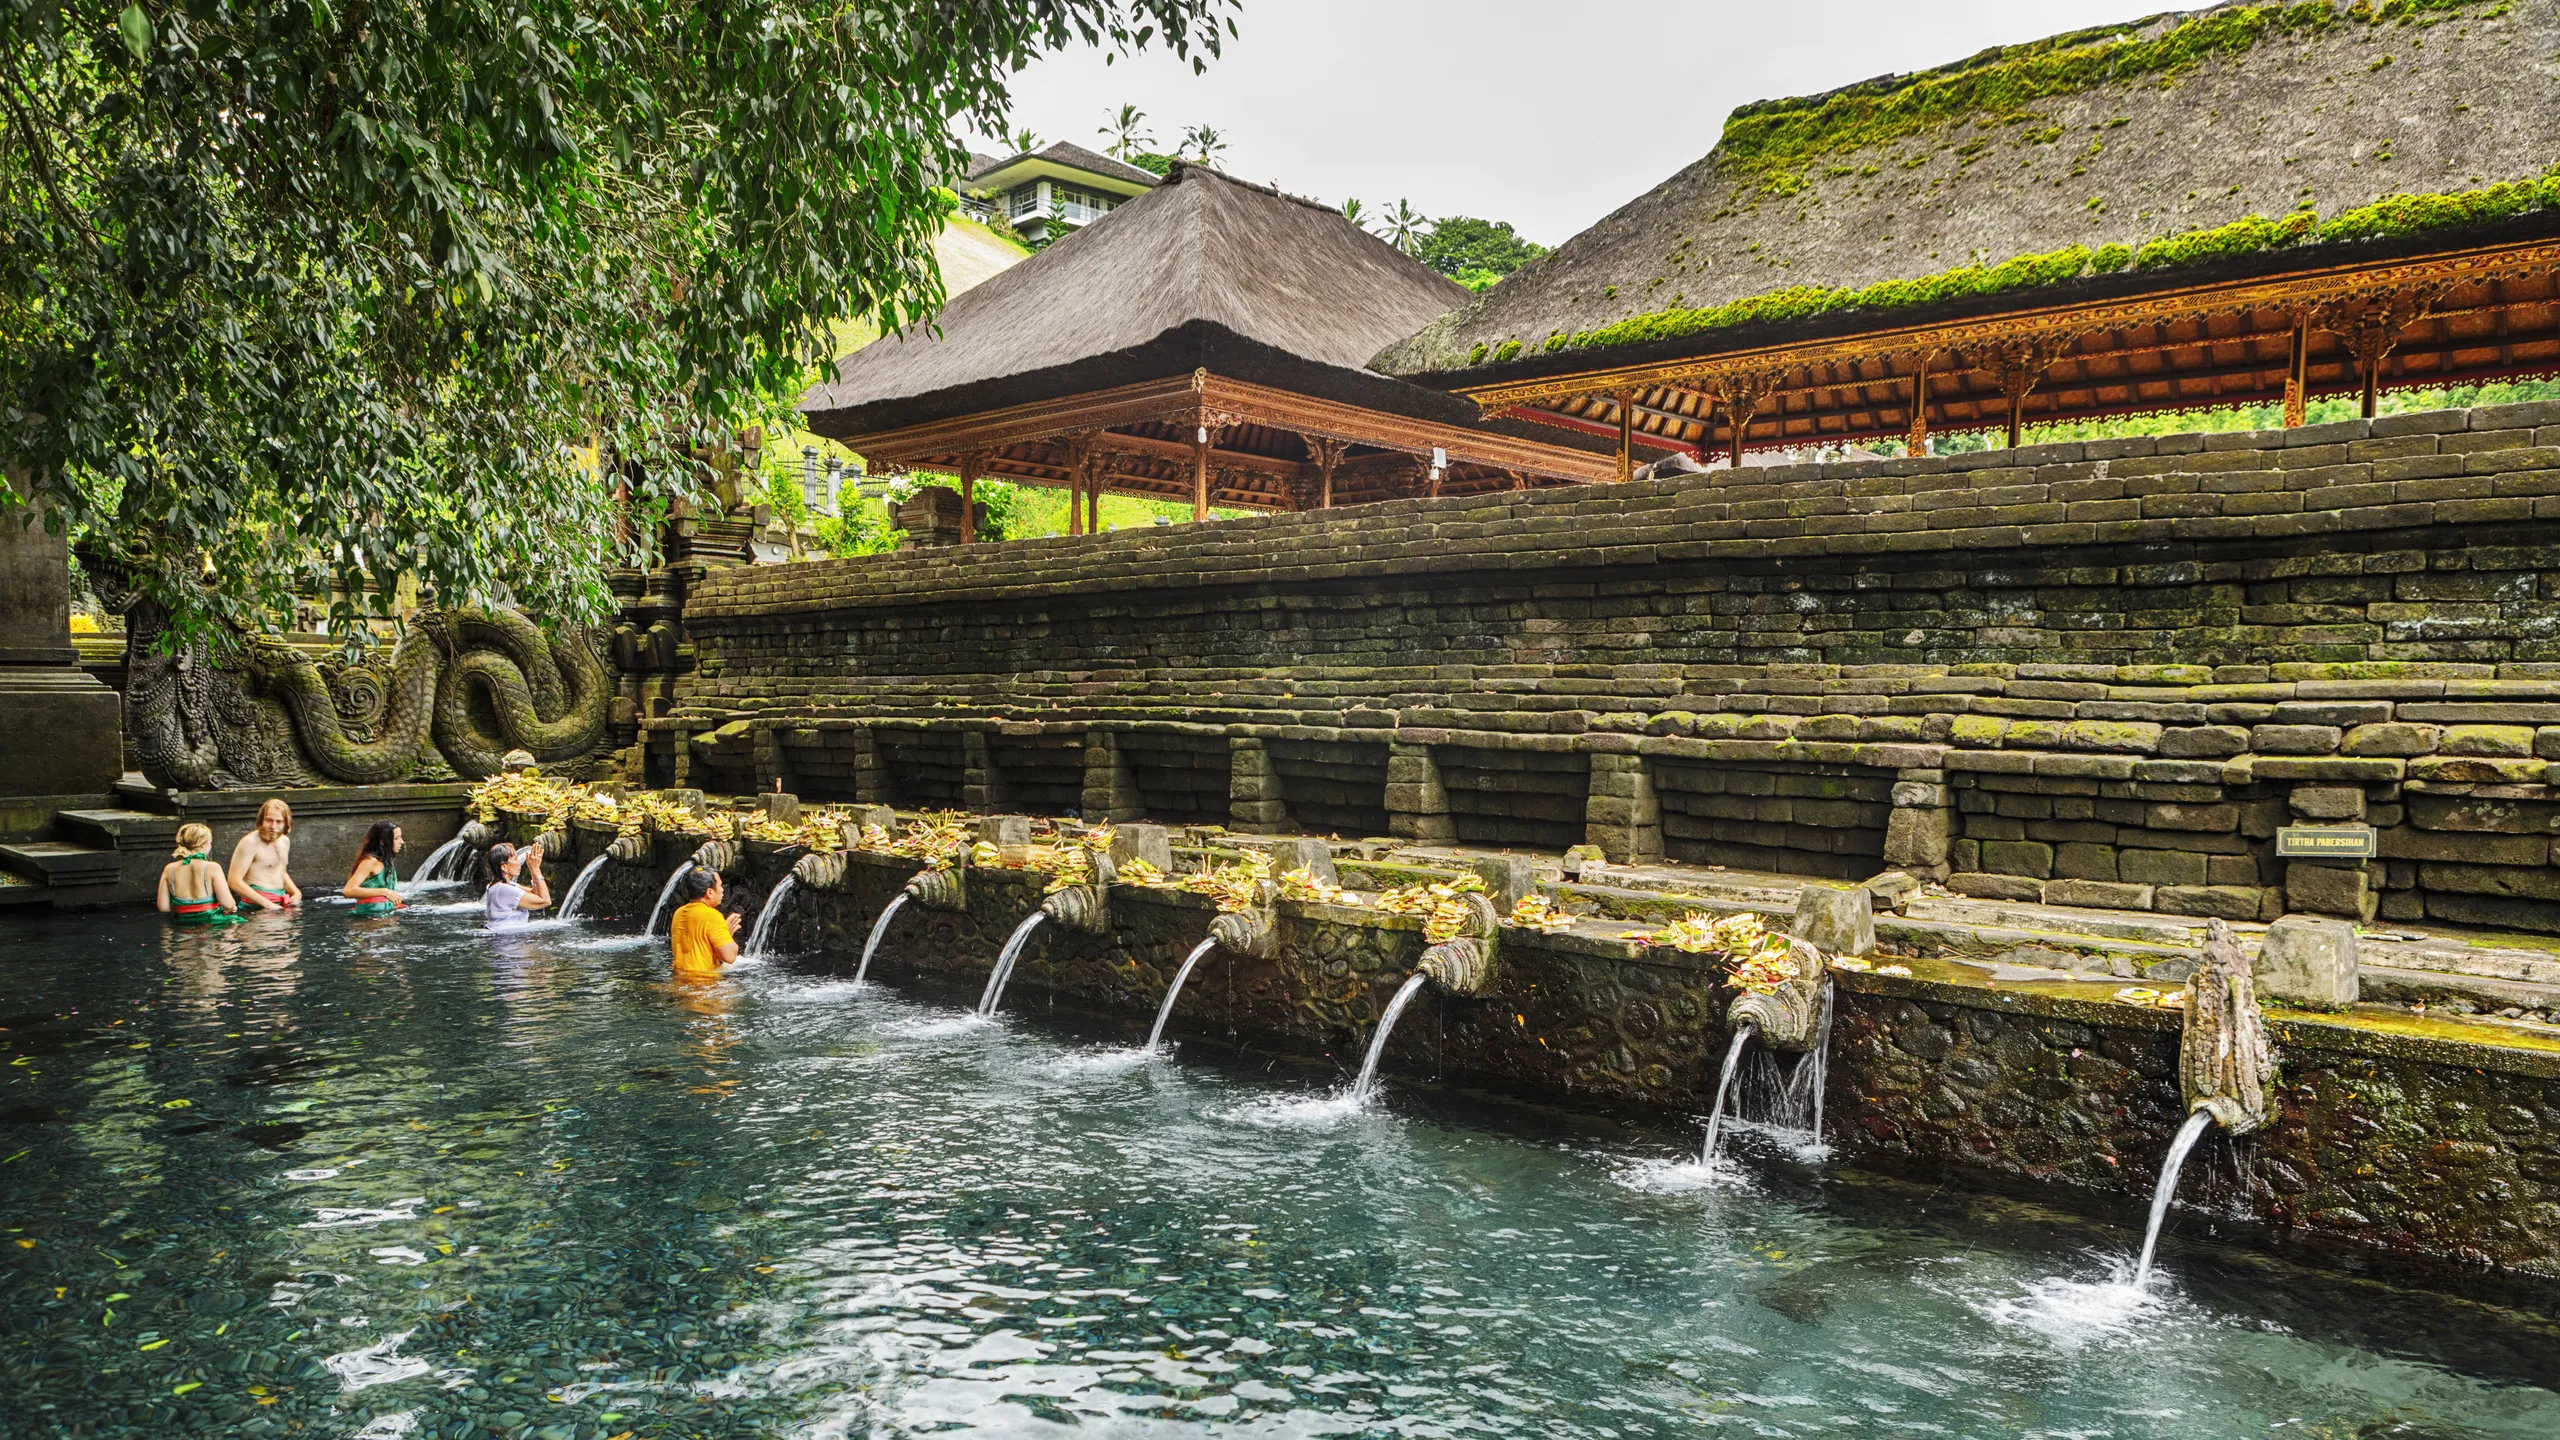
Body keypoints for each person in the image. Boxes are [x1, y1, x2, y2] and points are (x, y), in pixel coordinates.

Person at [669, 868, 745, 982]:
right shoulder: (712, 916)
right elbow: (729, 957)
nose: (722, 890)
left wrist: (724, 933)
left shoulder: (679, 912)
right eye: (720, 885)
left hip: (679, 980)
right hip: (703, 985)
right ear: (709, 892)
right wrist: (728, 936)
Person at [158, 823, 243, 925]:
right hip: (211, 922)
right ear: (204, 844)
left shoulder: (169, 869)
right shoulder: (212, 867)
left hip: (182, 923)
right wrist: (233, 908)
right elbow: (227, 904)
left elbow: (163, 907)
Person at [228, 799, 302, 911]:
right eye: (269, 820)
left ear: (286, 823)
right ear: (261, 820)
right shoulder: (249, 843)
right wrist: (266, 904)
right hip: (255, 906)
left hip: (280, 903)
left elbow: (281, 871)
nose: (273, 826)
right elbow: (234, 881)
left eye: (279, 822)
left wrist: (296, 893)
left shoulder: (284, 841)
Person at [482, 843, 551, 929]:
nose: (519, 863)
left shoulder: (499, 886)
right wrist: (536, 870)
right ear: (504, 867)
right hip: (509, 939)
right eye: (515, 859)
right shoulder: (504, 890)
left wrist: (532, 870)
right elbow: (545, 901)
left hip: (504, 937)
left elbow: (535, 894)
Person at [342, 822, 406, 916]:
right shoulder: (370, 862)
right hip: (367, 920)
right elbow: (348, 891)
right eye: (396, 838)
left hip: (384, 915)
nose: (402, 841)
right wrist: (385, 892)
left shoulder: (386, 861)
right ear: (382, 842)